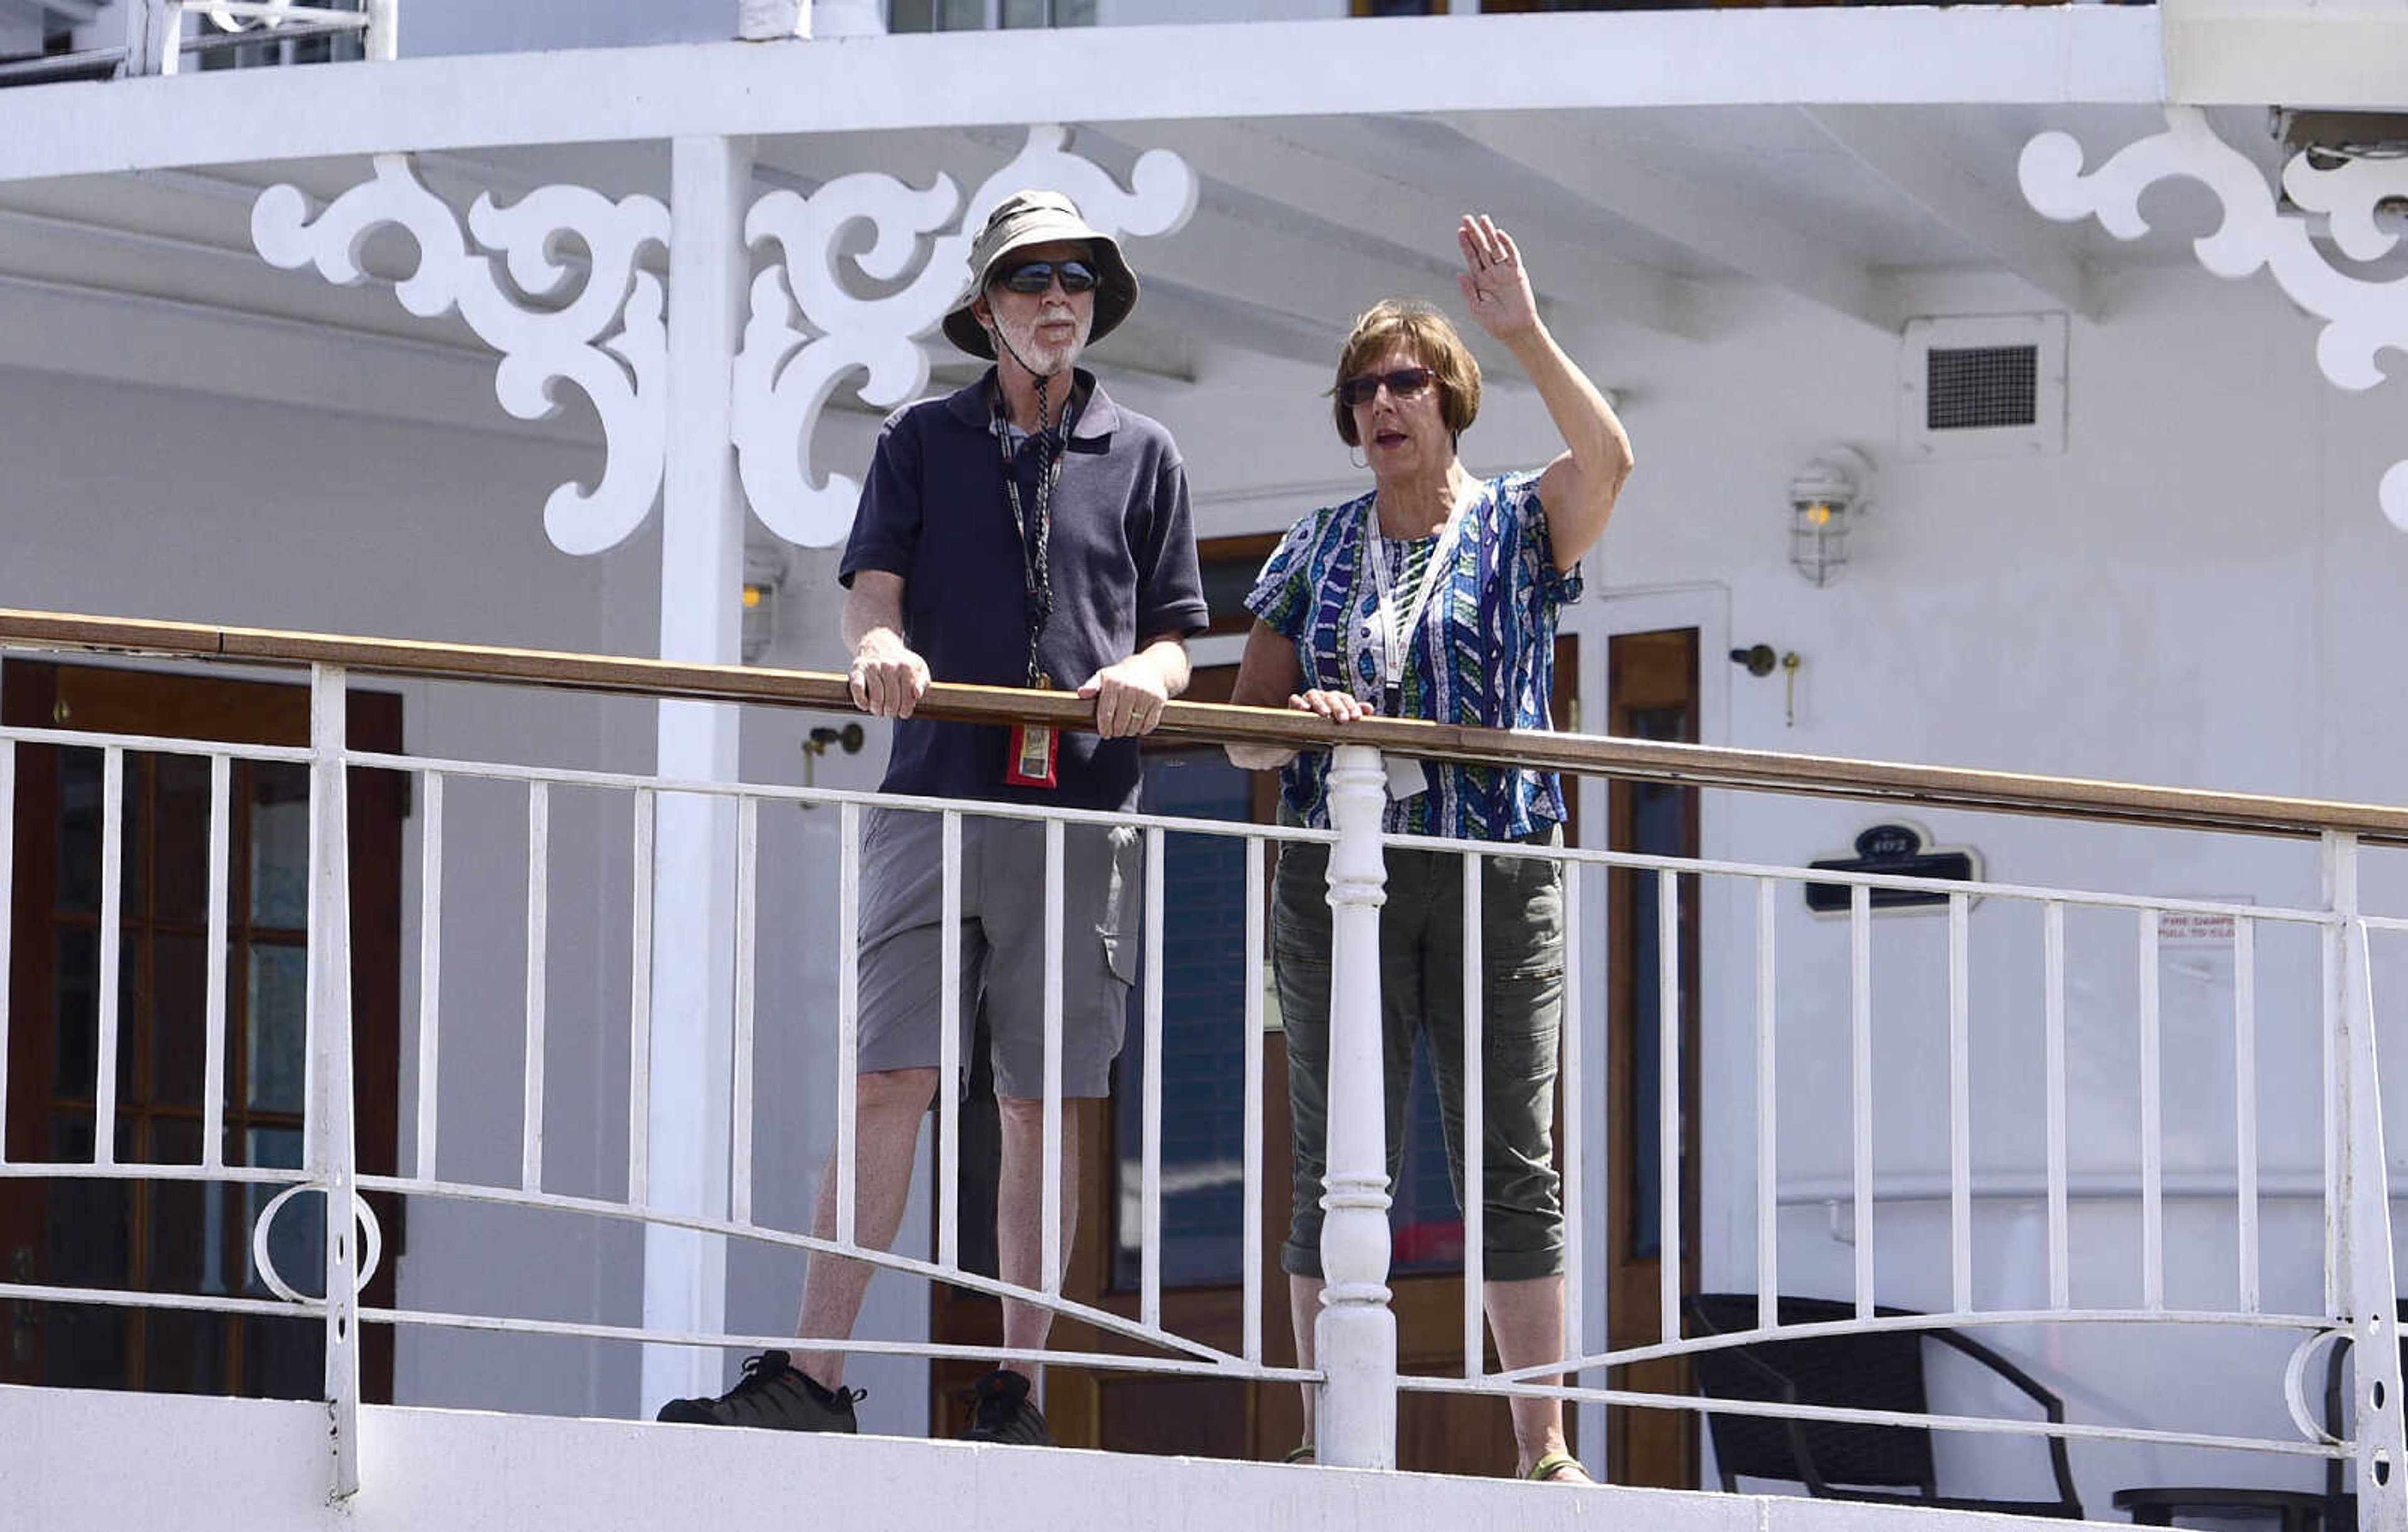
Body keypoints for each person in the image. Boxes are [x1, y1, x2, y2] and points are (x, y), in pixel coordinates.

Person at [658, 189, 1207, 1445]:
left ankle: (1018, 1387)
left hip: (1079, 808)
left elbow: (1179, 633)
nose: (1055, 297)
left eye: (1075, 277)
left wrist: (1147, 679)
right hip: (932, 798)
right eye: (1030, 278)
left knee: (1038, 1099)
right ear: (986, 308)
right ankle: (811, 1373)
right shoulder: (921, 439)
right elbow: (874, 600)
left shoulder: (1148, 451)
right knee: (890, 1079)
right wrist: (886, 650)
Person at [1226, 215, 1632, 1484]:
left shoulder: (1516, 526)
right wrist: (1296, 719)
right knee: (1334, 1160)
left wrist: (1521, 328)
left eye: (1406, 380)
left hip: (1497, 869)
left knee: (1513, 1158)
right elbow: (1240, 735)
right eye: (1363, 387)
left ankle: (1544, 1449)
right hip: (1341, 887)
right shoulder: (1316, 547)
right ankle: (1325, 1435)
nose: (1383, 403)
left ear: (1451, 399)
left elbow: (1610, 458)